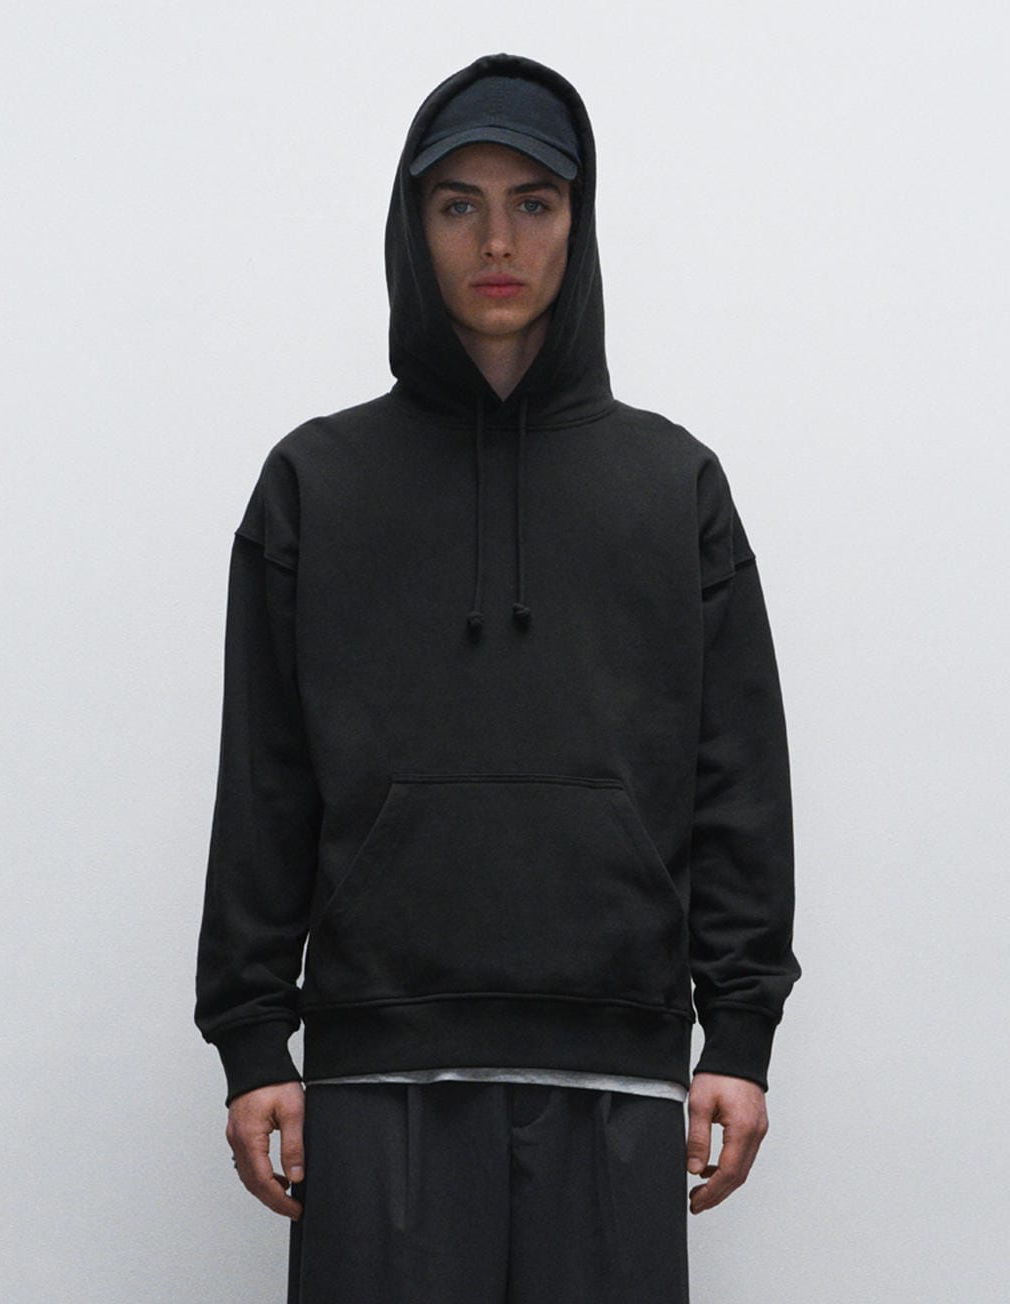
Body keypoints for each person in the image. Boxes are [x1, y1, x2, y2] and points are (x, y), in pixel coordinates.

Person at [194, 50, 802, 1303]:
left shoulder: (673, 486)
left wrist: (739, 1030)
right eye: (456, 203)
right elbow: (265, 777)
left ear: (578, 221)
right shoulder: (315, 483)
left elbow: (736, 772)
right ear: (411, 225)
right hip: (377, 1072)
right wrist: (254, 1036)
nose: (496, 240)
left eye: (533, 200)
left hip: (616, 1068)